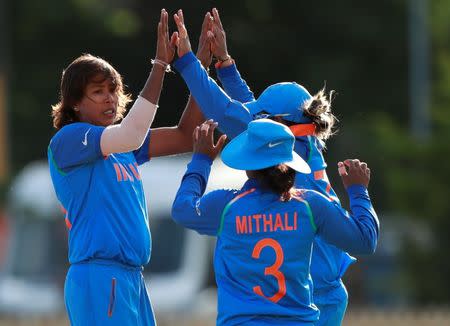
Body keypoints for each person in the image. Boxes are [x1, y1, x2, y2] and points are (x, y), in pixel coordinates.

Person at [173, 8, 365, 325]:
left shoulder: (277, 146)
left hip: (306, 292)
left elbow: (225, 112)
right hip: (325, 286)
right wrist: (225, 64)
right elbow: (250, 113)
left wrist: (187, 63)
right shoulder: (301, 140)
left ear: (278, 123)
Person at [48, 9, 211, 325]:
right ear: (74, 103)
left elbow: (184, 135)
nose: (110, 99)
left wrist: (197, 68)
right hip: (99, 275)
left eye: (113, 90)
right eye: (98, 92)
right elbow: (132, 133)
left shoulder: (123, 148)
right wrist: (161, 65)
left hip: (130, 278)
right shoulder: (69, 139)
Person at [172, 119, 379, 325]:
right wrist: (358, 191)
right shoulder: (310, 205)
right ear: (290, 162)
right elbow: (365, 240)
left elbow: (182, 209)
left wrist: (201, 160)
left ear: (248, 163)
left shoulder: (226, 206)